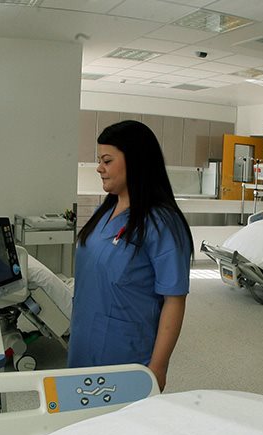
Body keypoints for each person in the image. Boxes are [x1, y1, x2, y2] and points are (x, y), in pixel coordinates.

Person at [68, 120, 193, 391]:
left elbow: (174, 299)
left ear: (135, 162)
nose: (99, 168)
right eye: (99, 161)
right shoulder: (104, 213)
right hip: (84, 339)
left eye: (107, 161)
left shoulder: (161, 223)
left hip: (126, 352)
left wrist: (158, 368)